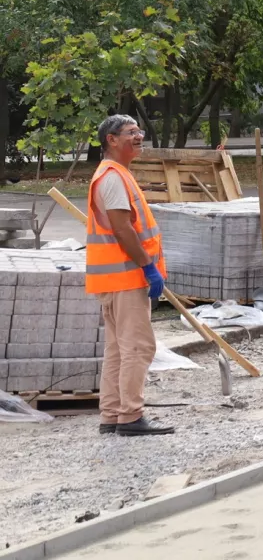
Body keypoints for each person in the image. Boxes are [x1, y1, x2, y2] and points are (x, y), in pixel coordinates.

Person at [87, 114, 174, 435]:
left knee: (117, 351)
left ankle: (112, 416)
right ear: (111, 140)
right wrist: (148, 267)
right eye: (130, 132)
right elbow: (122, 228)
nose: (139, 136)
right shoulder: (112, 177)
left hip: (115, 281)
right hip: (126, 279)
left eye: (139, 131)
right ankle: (130, 417)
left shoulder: (116, 174)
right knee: (138, 348)